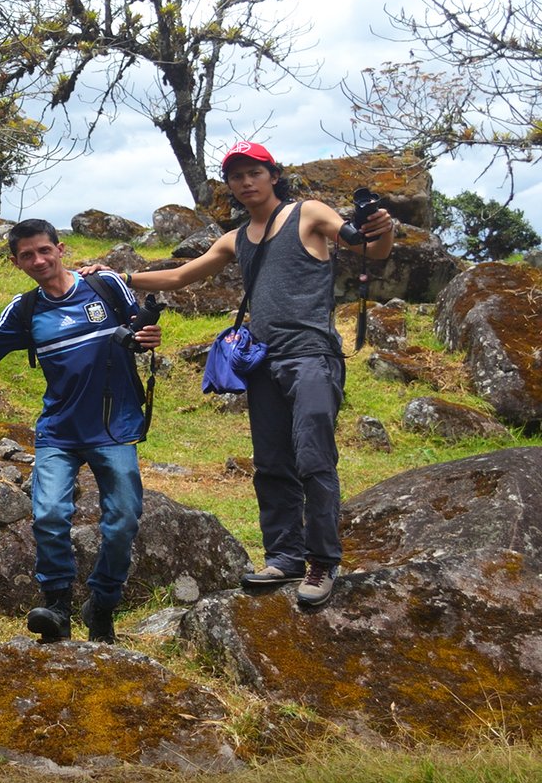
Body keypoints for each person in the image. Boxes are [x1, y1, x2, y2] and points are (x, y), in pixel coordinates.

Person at [121, 142, 396, 606]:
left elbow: (369, 248)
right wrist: (116, 277)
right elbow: (181, 276)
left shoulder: (308, 213)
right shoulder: (235, 239)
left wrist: (382, 229)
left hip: (311, 355)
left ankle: (322, 562)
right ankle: (284, 557)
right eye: (236, 176)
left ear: (273, 175)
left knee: (313, 458)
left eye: (254, 172)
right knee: (271, 464)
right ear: (229, 185)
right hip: (263, 360)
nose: (246, 182)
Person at [0, 219, 161, 643]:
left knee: (123, 519)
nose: (38, 260)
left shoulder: (105, 287)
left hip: (114, 426)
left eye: (44, 250)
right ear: (16, 262)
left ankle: (102, 604)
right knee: (48, 514)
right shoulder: (24, 309)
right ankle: (57, 605)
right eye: (27, 255)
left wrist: (149, 336)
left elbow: (138, 331)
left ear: (60, 249)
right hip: (58, 429)